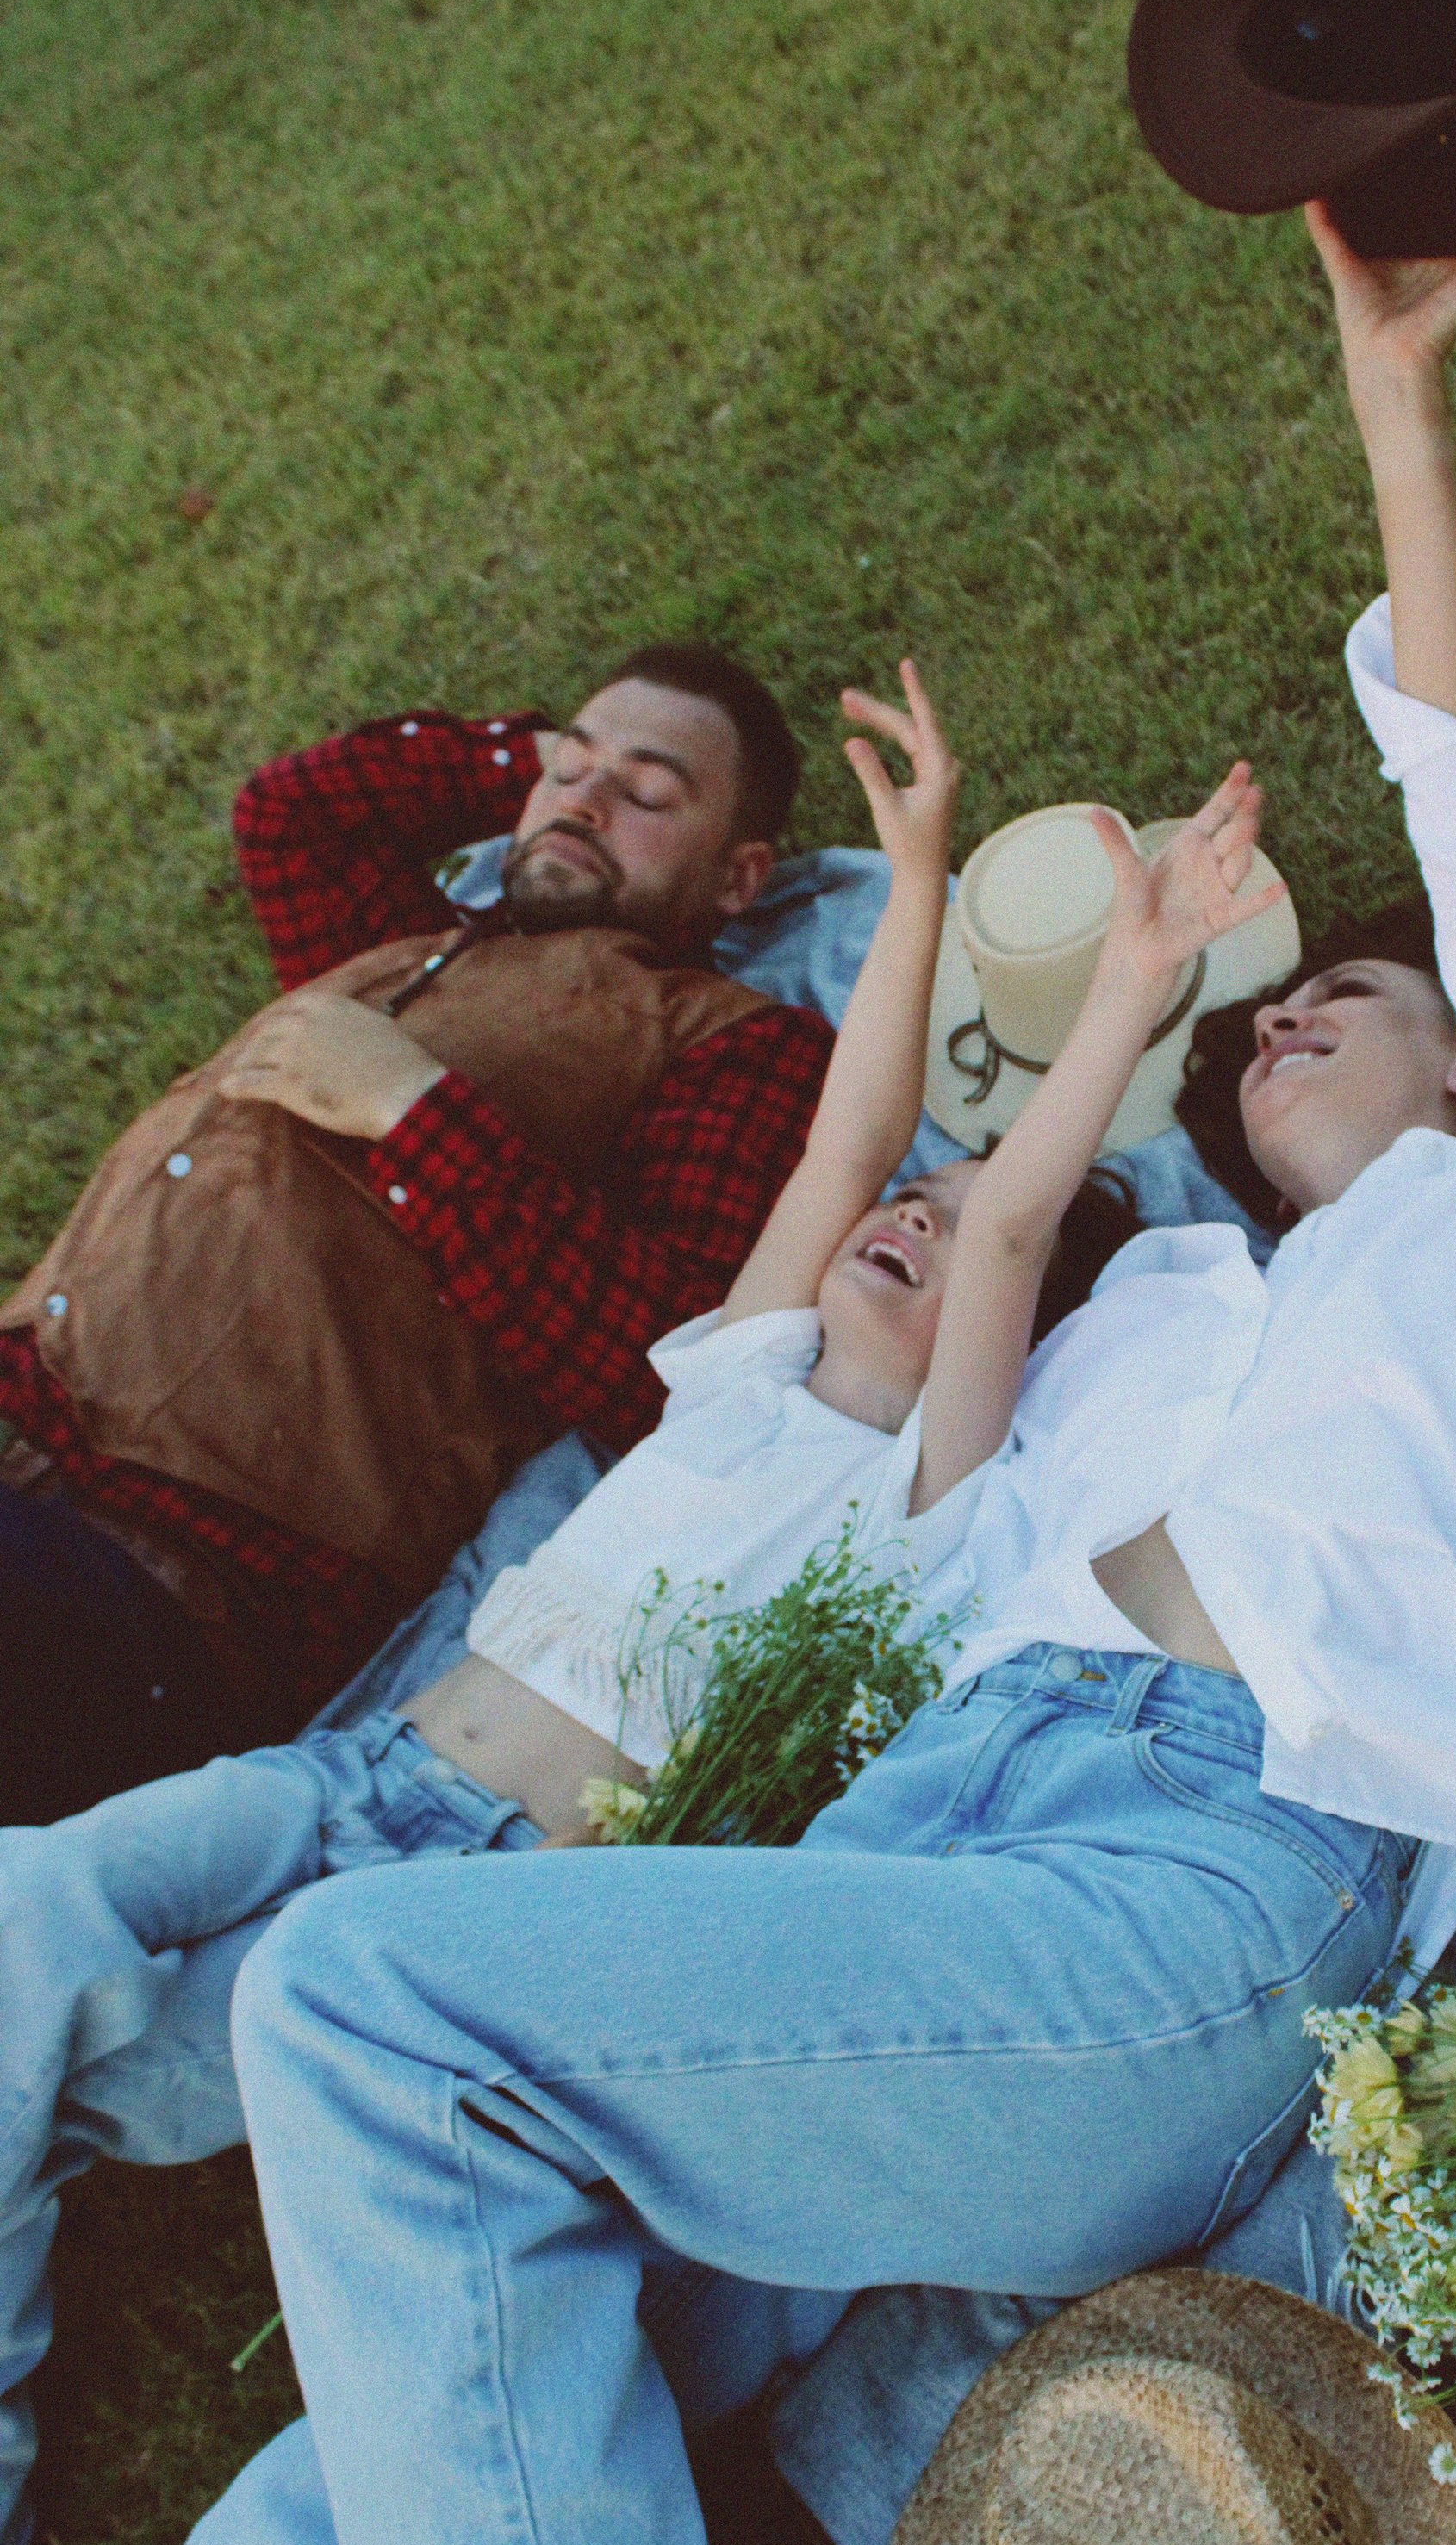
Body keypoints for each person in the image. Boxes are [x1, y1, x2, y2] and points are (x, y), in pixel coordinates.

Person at [0, 208, 1456, 2545]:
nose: (1330, 1025)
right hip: (920, 1860)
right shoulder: (1144, 1297)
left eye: (1374, 1002)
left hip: (1187, 1876)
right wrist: (1100, 1018)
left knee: (363, 2020)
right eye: (1279, 1024)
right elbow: (917, 1269)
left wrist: (1399, 411)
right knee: (361, 2478)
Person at [0, 663, 1173, 2545]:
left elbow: (1032, 1216)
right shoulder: (742, 1372)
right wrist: (917, 875)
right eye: (923, 1202)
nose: (919, 1222)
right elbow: (842, 1136)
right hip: (339, 1782)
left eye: (963, 1240)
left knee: (89, 2055)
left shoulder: (929, 1505)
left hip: (437, 1903)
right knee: (25, 1923)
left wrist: (1124, 986)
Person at [0, 644, 837, 1820]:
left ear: (740, 879)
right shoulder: (408, 937)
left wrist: (413, 1115)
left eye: (646, 793)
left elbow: (682, 1367)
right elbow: (288, 815)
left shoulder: (725, 1041)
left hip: (164, 1567)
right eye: (570, 770)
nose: (584, 801)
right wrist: (539, 762)